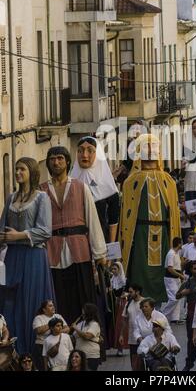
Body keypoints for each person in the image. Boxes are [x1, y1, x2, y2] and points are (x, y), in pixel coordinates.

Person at [40, 146, 107, 325]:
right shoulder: (41, 191)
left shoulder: (80, 187)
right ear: (48, 163)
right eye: (52, 159)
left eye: (60, 158)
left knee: (83, 298)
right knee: (57, 299)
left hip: (79, 251)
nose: (56, 162)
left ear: (68, 161)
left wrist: (99, 253)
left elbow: (92, 219)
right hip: (52, 251)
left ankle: (87, 341)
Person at [0, 157, 54, 354]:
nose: (17, 173)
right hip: (13, 256)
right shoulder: (10, 198)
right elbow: (2, 228)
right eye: (16, 170)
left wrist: (19, 235)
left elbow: (46, 231)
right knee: (10, 299)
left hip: (33, 256)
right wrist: (6, 238)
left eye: (21, 169)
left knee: (30, 299)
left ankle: (32, 350)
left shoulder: (42, 198)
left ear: (31, 171)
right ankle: (13, 348)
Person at [119, 134, 180, 303]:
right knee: (139, 269)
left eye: (154, 146)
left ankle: (163, 303)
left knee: (164, 269)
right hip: (139, 233)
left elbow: (174, 214)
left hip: (164, 233)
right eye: (146, 146)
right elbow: (125, 216)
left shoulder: (169, 181)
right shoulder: (130, 182)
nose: (151, 150)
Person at [71, 136, 120, 243]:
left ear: (98, 154)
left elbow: (113, 222)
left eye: (90, 150)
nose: (84, 155)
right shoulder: (69, 184)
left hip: (102, 244)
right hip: (77, 245)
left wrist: (111, 254)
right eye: (80, 151)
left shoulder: (108, 187)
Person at [176, 260, 196, 371]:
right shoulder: (187, 283)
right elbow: (177, 296)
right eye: (195, 268)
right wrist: (183, 293)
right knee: (191, 341)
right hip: (192, 315)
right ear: (191, 270)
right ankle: (189, 364)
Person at [32, 300, 69, 371]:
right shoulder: (38, 318)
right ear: (44, 309)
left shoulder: (58, 316)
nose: (53, 307)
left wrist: (56, 331)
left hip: (57, 346)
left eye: (53, 305)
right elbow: (38, 331)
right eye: (50, 306)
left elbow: (67, 329)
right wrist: (51, 324)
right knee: (44, 368)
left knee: (57, 367)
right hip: (42, 346)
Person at [119, 284, 144, 371]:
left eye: (131, 292)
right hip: (132, 339)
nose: (129, 294)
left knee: (144, 361)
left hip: (144, 337)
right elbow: (124, 320)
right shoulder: (128, 304)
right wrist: (121, 335)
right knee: (134, 362)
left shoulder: (145, 303)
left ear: (137, 292)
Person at [71, 303, 101, 371]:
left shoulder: (94, 324)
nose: (82, 314)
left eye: (84, 312)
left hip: (90, 356)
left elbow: (87, 336)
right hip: (80, 356)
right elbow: (73, 337)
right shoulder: (81, 323)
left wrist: (75, 328)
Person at [161, 238, 185, 323]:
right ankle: (163, 315)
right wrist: (181, 276)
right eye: (181, 243)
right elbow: (170, 269)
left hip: (176, 278)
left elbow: (177, 267)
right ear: (179, 244)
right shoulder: (171, 253)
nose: (182, 244)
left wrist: (180, 276)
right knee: (174, 298)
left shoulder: (177, 253)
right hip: (170, 278)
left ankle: (175, 318)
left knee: (178, 297)